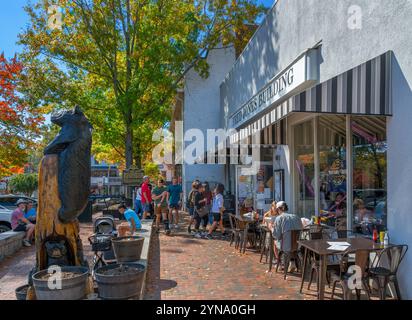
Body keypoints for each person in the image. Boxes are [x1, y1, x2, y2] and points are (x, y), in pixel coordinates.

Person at [272, 201, 303, 271]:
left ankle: (279, 264)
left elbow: (276, 235)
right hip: (297, 246)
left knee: (274, 242)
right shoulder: (296, 216)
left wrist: (272, 228)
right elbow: (301, 229)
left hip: (285, 246)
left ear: (278, 209)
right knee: (290, 241)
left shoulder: (279, 218)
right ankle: (292, 262)